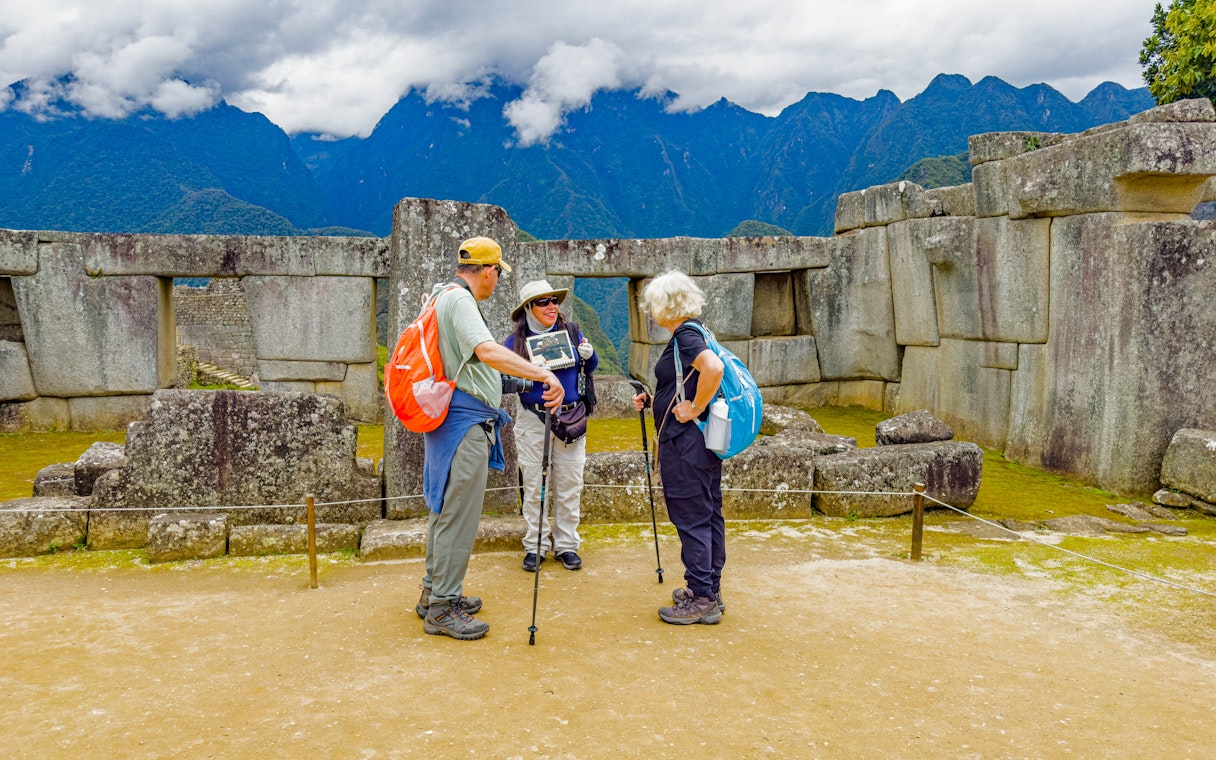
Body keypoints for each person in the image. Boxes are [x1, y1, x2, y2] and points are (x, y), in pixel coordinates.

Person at [416, 237, 564, 641]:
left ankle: (434, 593)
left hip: (450, 419)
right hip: (463, 425)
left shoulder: (440, 298)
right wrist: (543, 375)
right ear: (489, 270)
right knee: (459, 515)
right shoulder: (460, 302)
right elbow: (486, 351)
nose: (497, 281)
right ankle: (443, 607)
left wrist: (513, 384)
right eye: (498, 273)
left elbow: (472, 368)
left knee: (445, 509)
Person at [632, 271, 726, 625]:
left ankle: (701, 596)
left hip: (686, 445)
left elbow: (712, 369)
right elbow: (686, 382)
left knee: (690, 516)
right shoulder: (698, 331)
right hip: (701, 445)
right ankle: (710, 589)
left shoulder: (685, 335)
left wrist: (695, 408)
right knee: (708, 512)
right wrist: (656, 400)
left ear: (664, 306)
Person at [503, 280, 598, 572]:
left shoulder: (570, 332)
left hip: (571, 419)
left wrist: (589, 355)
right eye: (542, 302)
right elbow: (504, 377)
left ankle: (567, 544)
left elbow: (589, 367)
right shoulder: (514, 343)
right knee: (534, 485)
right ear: (528, 309)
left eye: (553, 301)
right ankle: (536, 545)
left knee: (570, 483)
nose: (551, 307)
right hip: (534, 419)